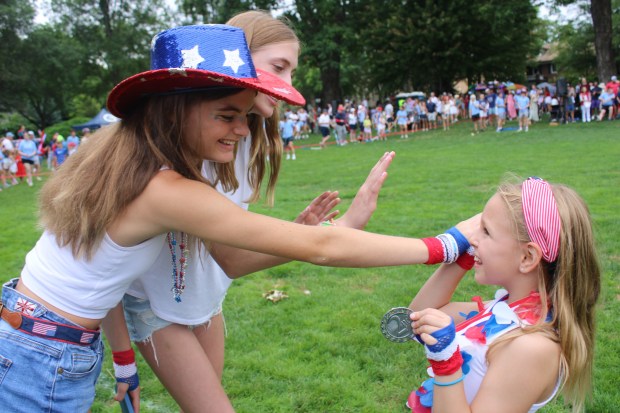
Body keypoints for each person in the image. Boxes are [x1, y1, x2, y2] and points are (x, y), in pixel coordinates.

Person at [0, 24, 475, 413]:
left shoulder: (126, 159)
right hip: (45, 355)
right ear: (175, 109)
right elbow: (320, 249)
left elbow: (111, 278)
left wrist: (122, 357)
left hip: (31, 335)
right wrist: (446, 244)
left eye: (245, 115)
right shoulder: (167, 189)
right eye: (227, 115)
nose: (244, 129)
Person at [405, 176, 599, 413]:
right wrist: (460, 259)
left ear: (527, 258)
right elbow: (416, 317)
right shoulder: (504, 310)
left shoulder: (531, 348)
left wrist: (447, 364)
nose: (473, 238)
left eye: (486, 231)